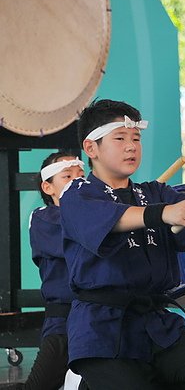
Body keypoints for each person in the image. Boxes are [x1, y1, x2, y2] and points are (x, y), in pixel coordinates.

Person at [59, 99, 185, 389]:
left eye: (136, 138)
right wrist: (163, 213)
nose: (131, 146)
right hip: (103, 332)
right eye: (120, 138)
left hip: (157, 326)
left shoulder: (153, 192)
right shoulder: (77, 194)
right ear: (91, 148)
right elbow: (115, 219)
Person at [26, 152, 85, 390]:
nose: (78, 181)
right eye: (67, 176)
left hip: (97, 318)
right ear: (47, 187)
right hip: (63, 321)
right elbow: (81, 239)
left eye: (82, 176)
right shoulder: (43, 218)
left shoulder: (97, 215)